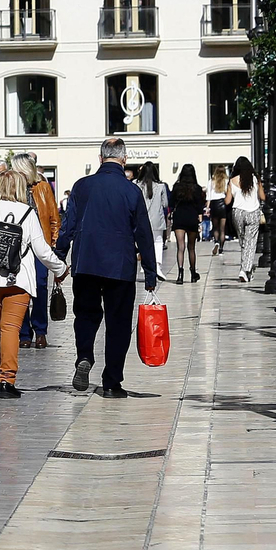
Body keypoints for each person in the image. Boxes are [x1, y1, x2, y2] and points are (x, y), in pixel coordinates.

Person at [57, 138, 158, 398]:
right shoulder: (131, 191)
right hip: (120, 265)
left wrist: (59, 258)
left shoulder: (82, 186)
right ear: (124, 159)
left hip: (86, 262)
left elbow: (67, 226)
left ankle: (85, 356)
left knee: (86, 315)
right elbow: (144, 234)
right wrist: (149, 272)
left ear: (100, 158)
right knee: (119, 323)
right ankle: (112, 381)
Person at [0, 171, 68, 397]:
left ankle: (1, 373)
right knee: (11, 328)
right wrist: (61, 268)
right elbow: (42, 251)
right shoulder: (28, 213)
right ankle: (7, 379)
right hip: (18, 279)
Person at [10, 153, 59, 349]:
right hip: (18, 247)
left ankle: (40, 331)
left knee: (39, 287)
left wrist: (53, 242)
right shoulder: (12, 189)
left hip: (40, 246)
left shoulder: (43, 187)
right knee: (20, 288)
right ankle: (23, 332)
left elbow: (53, 216)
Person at [226, 156, 263, 284]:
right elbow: (263, 196)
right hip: (253, 211)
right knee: (250, 243)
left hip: (237, 213)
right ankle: (245, 269)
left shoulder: (232, 181)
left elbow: (227, 201)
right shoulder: (255, 179)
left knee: (243, 241)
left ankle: (246, 270)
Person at [170, 165, 206, 284]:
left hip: (179, 217)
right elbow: (200, 205)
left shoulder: (176, 187)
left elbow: (171, 203)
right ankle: (193, 273)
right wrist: (200, 215)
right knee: (191, 248)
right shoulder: (197, 188)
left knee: (180, 247)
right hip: (191, 217)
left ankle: (180, 274)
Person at [138, 162, 171, 283]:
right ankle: (157, 265)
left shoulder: (136, 185)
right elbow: (165, 204)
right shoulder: (161, 186)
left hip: (142, 219)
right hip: (157, 219)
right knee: (158, 242)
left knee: (144, 243)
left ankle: (145, 266)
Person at [206, 164, 230, 253]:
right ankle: (221, 248)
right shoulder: (227, 181)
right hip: (223, 204)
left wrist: (207, 208)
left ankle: (216, 242)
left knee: (215, 227)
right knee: (222, 229)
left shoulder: (211, 181)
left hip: (214, 204)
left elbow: (208, 196)